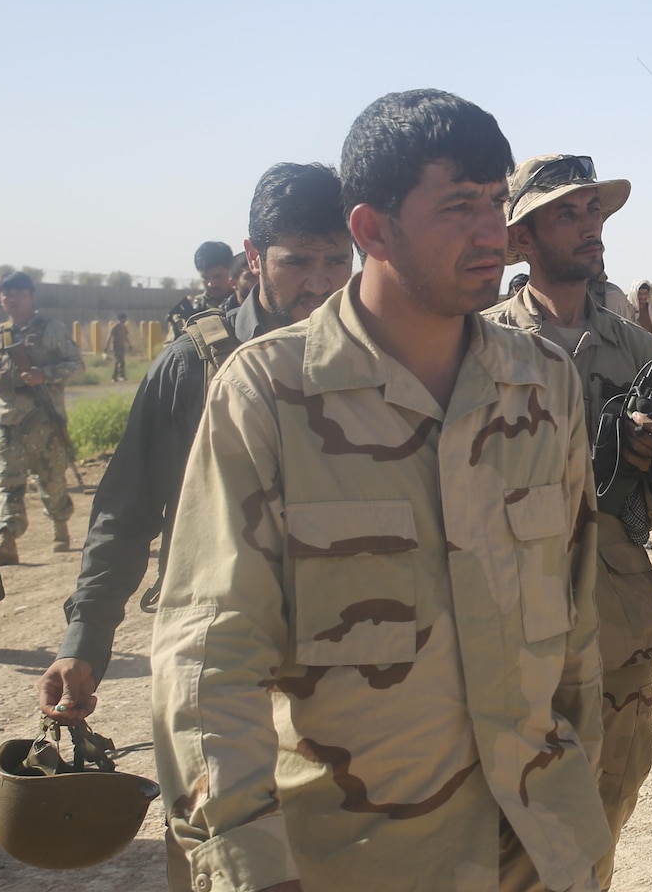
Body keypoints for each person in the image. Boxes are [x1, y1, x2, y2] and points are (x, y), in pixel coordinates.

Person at [150, 91, 611, 892]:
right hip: (359, 862)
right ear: (371, 230)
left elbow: (575, 633)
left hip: (540, 851)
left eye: (497, 203)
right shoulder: (270, 396)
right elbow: (209, 658)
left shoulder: (543, 384)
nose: (491, 234)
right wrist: (247, 866)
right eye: (459, 206)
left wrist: (581, 822)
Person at [38, 163, 352, 737]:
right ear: (254, 257)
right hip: (226, 656)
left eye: (337, 260)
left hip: (354, 653)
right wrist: (85, 642)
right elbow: (126, 512)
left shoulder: (379, 359)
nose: (321, 282)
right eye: (298, 261)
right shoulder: (194, 365)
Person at [483, 153, 652, 891]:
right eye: (567, 212)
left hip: (617, 623)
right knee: (510, 832)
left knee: (606, 814)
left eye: (594, 211)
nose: (590, 226)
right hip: (510, 628)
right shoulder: (483, 347)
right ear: (523, 238)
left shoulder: (635, 348)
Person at [0, 271, 83, 562]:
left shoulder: (51, 328)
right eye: (7, 294)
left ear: (31, 296)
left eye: (19, 293)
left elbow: (76, 364)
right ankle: (7, 536)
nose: (13, 299)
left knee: (50, 479)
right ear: (1, 299)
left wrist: (43, 374)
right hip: (6, 420)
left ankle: (60, 522)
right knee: (8, 479)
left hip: (43, 419)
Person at [165, 240, 235, 337]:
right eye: (205, 278)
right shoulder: (192, 309)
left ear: (232, 270)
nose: (211, 284)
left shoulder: (246, 302)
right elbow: (171, 349)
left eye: (218, 276)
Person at [107, 312, 134, 382]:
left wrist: (129, 344)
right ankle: (121, 376)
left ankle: (114, 377)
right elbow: (109, 337)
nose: (125, 320)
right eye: (124, 318)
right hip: (116, 347)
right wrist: (106, 346)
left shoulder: (124, 327)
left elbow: (125, 337)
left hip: (122, 347)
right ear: (121, 319)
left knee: (118, 362)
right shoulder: (115, 327)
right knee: (120, 361)